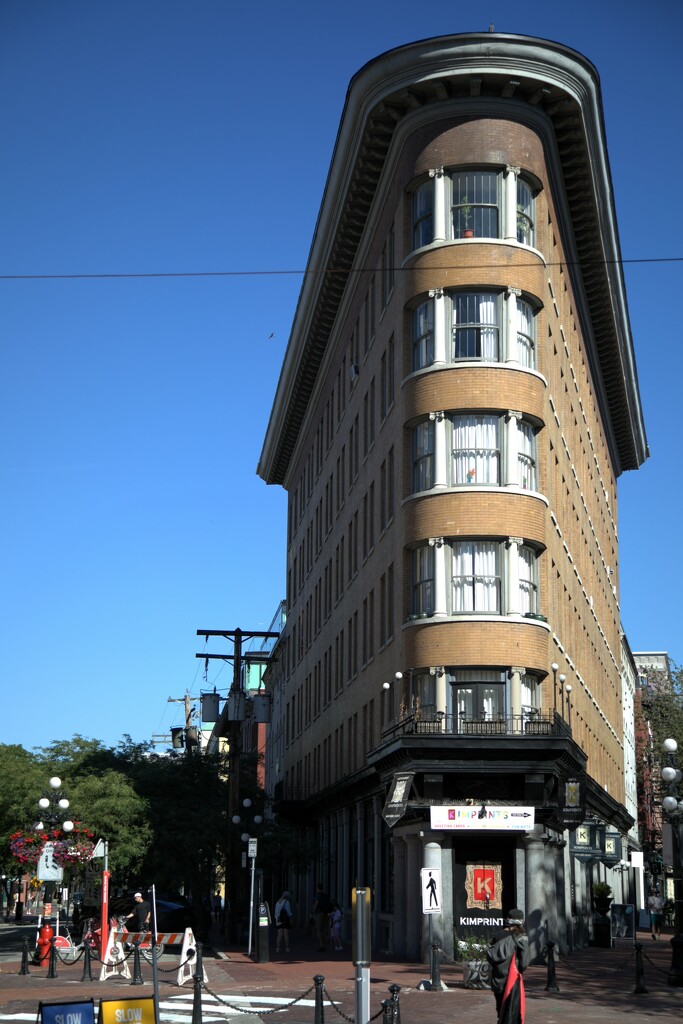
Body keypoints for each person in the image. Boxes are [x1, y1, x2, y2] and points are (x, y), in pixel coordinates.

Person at [486, 908, 530, 1023]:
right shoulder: (521, 937)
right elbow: (525, 961)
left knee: (500, 1009)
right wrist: (520, 969)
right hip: (512, 979)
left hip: (497, 979)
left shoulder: (498, 935)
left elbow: (491, 956)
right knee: (512, 1011)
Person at [312, 883, 332, 951]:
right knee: (323, 929)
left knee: (318, 929)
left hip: (319, 913)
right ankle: (323, 943)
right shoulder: (325, 895)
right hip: (325, 913)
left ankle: (321, 944)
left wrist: (313, 911)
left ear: (317, 888)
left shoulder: (318, 895)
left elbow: (316, 903)